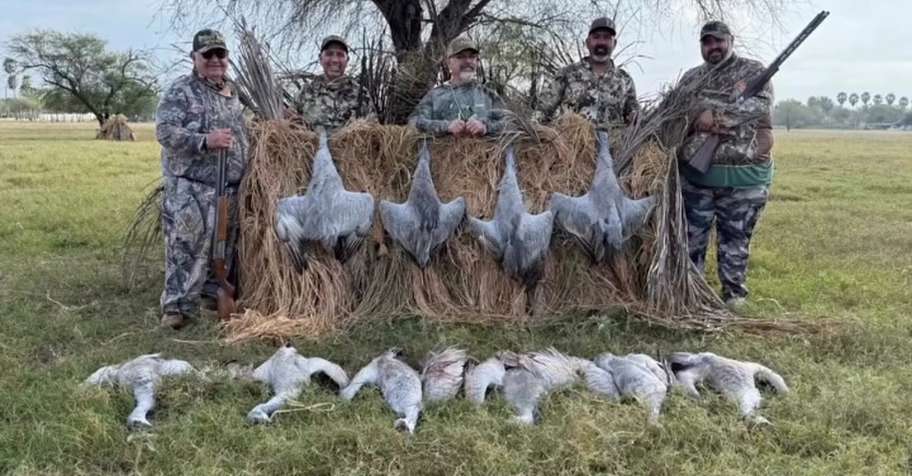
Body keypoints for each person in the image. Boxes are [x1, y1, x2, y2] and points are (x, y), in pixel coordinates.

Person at [677, 21, 775, 310]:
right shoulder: (692, 78)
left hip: (742, 179)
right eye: (707, 42)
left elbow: (757, 107)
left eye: (718, 41)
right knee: (691, 240)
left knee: (735, 242)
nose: (713, 47)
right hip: (697, 177)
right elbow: (677, 110)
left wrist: (714, 115)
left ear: (731, 40)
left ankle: (733, 297)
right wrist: (697, 116)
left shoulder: (754, 72)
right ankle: (690, 296)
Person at [155, 29, 248, 329]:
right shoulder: (181, 90)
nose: (215, 60)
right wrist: (205, 140)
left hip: (230, 186)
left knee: (223, 244)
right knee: (186, 245)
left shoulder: (234, 91)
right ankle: (176, 307)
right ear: (194, 57)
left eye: (220, 54)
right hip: (192, 186)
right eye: (207, 54)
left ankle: (212, 294)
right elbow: (165, 132)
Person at [534, 17, 639, 129]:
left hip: (611, 145)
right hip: (570, 144)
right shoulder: (567, 74)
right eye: (596, 37)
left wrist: (634, 115)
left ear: (614, 44)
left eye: (607, 38)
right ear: (588, 42)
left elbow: (633, 116)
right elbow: (542, 112)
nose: (601, 42)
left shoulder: (625, 80)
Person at [409, 36, 507, 137]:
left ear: (477, 62)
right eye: (461, 56)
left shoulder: (489, 95)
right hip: (444, 151)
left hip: (484, 152)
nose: (468, 61)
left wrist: (485, 127)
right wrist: (446, 126)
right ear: (448, 62)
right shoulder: (435, 95)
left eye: (472, 57)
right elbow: (413, 122)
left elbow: (510, 123)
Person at [292, 35, 366, 132]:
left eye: (340, 54)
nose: (335, 60)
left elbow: (373, 132)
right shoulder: (305, 92)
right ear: (320, 58)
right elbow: (289, 127)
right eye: (329, 54)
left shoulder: (361, 94)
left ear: (347, 60)